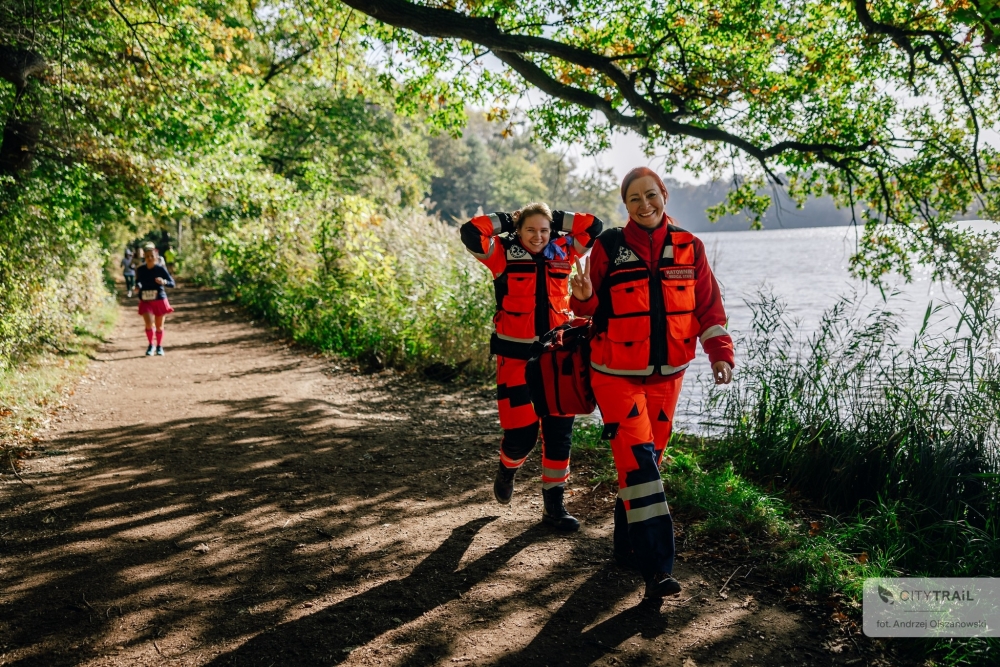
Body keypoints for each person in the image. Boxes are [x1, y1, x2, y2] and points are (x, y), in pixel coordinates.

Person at [569, 167, 735, 600]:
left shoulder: (690, 247)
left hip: (668, 379)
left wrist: (721, 355)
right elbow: (586, 310)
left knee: (645, 465)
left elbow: (709, 310)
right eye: (634, 200)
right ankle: (658, 569)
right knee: (641, 464)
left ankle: (625, 547)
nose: (644, 205)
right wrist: (583, 294)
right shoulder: (608, 247)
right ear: (625, 206)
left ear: (663, 194)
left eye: (650, 195)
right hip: (614, 376)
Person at [461, 203, 604, 531]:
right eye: (530, 230)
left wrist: (552, 217)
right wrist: (508, 220)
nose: (538, 236)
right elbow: (471, 232)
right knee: (521, 436)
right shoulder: (501, 254)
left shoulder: (564, 251)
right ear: (519, 231)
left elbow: (592, 226)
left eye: (544, 230)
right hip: (514, 360)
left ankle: (554, 506)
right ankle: (507, 469)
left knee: (559, 435)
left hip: (557, 359)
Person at [135, 242, 176, 356]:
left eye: (152, 256)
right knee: (148, 324)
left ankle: (159, 346)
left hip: (159, 299)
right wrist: (138, 286)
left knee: (159, 326)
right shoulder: (141, 270)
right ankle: (150, 345)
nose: (149, 258)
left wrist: (164, 282)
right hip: (145, 300)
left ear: (156, 257)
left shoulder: (160, 269)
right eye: (147, 256)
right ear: (144, 257)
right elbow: (138, 281)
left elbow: (172, 283)